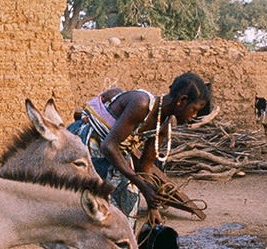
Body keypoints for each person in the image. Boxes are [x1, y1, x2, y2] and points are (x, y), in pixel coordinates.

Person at [69, 71, 213, 225]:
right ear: (182, 101)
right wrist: (141, 185)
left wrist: (152, 205)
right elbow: (108, 146)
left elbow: (146, 164)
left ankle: (123, 244)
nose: (194, 116)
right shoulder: (142, 103)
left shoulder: (164, 124)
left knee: (129, 203)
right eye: (194, 109)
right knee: (97, 207)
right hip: (92, 145)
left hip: (116, 154)